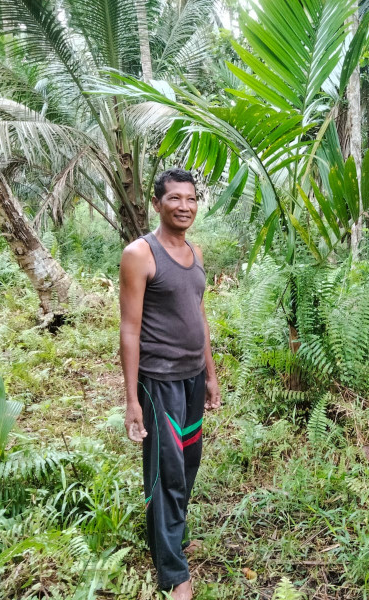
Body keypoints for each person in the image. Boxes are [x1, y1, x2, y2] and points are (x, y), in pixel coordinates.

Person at [119, 168, 221, 600]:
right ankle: (173, 572)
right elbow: (129, 329)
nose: (185, 206)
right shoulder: (140, 253)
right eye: (175, 198)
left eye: (192, 199)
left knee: (188, 463)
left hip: (193, 378)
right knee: (166, 474)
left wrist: (212, 374)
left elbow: (198, 316)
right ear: (157, 203)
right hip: (158, 381)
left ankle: (171, 538)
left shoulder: (195, 252)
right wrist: (131, 400)